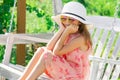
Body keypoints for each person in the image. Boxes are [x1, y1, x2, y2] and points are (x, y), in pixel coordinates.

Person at [18, 1, 93, 80]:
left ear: (79, 22)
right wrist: (62, 29)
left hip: (74, 76)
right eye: (64, 19)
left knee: (47, 55)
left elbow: (56, 52)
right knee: (41, 50)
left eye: (71, 19)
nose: (67, 22)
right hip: (64, 68)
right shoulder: (68, 32)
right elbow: (49, 47)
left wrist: (66, 32)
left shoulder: (81, 39)